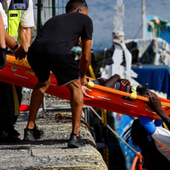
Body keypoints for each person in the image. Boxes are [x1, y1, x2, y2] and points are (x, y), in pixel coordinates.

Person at [23, 0, 93, 148]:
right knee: (75, 88)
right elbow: (86, 56)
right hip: (57, 51)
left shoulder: (54, 19)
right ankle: (75, 135)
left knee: (42, 83)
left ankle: (29, 129)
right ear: (80, 10)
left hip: (35, 52)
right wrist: (82, 76)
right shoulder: (85, 19)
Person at [0, 0, 34, 142]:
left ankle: (8, 126)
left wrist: (25, 58)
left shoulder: (25, 2)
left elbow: (25, 29)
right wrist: (14, 46)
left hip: (13, 53)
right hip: (7, 48)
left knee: (15, 92)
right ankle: (5, 127)